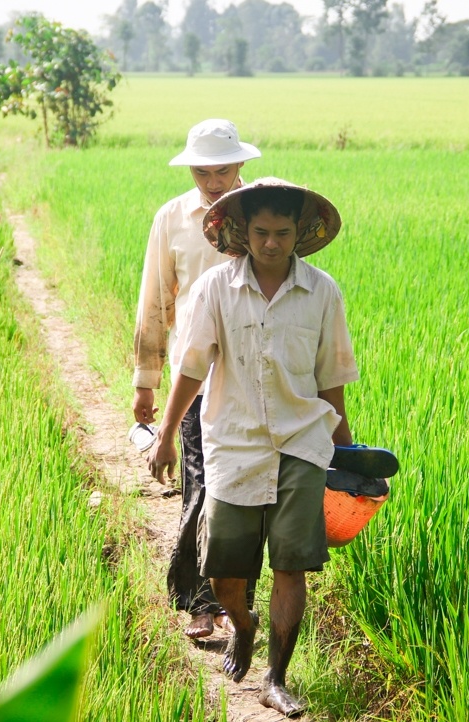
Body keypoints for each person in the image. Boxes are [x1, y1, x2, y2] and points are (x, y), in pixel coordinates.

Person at [147, 178, 357, 718]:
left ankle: (276, 678)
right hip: (233, 443)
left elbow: (331, 379)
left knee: (291, 563)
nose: (271, 243)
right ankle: (243, 627)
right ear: (241, 232)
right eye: (261, 232)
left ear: (300, 233)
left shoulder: (322, 291)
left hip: (301, 443)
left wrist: (346, 453)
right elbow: (192, 367)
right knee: (226, 573)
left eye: (282, 233)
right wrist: (167, 436)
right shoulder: (215, 288)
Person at [132, 119, 262, 640]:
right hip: (195, 380)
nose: (212, 182)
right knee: (203, 488)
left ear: (242, 167)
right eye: (202, 172)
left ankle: (237, 602)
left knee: (246, 495)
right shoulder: (172, 217)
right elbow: (156, 299)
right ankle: (195, 598)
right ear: (189, 169)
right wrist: (146, 379)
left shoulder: (264, 215)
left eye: (223, 171)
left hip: (254, 379)